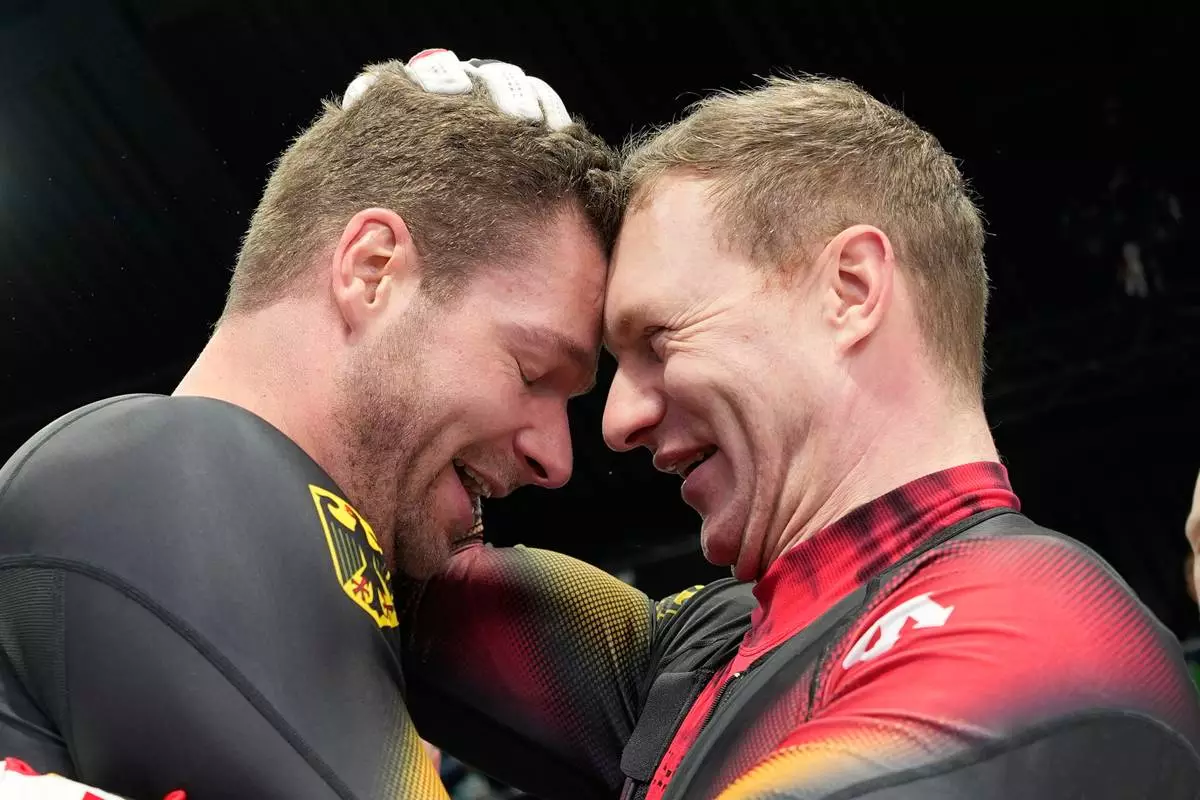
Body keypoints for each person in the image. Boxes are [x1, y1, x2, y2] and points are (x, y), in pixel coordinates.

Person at [397, 59, 1200, 799]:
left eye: (658, 340)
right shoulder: (713, 650)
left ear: (850, 288)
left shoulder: (1038, 630)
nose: (618, 421)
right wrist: (395, 189)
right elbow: (369, 551)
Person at [0, 50, 621, 799]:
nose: (558, 457)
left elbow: (703, 677)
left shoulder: (337, 577)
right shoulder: (167, 466)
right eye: (530, 372)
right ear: (372, 270)